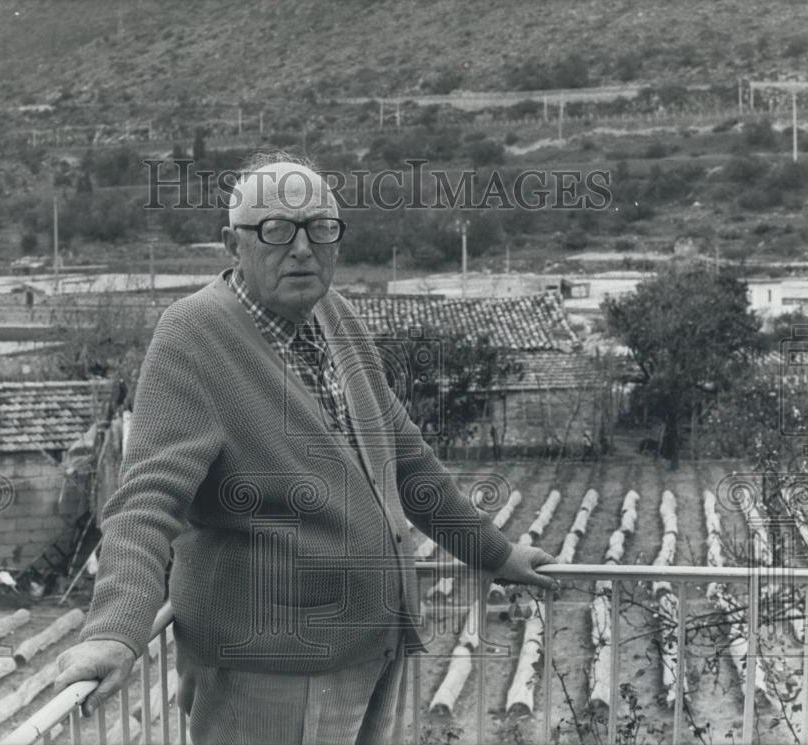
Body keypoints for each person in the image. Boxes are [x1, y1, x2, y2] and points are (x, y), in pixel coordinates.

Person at [55, 153, 557, 745]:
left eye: (320, 228)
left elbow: (403, 452)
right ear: (231, 244)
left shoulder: (333, 314)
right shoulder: (193, 336)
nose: (301, 248)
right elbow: (145, 503)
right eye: (275, 229)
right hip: (270, 666)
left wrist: (495, 553)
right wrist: (115, 630)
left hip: (369, 645)